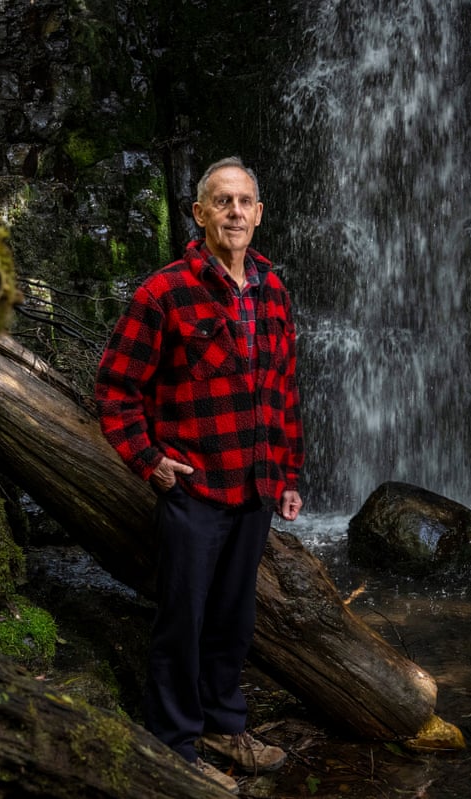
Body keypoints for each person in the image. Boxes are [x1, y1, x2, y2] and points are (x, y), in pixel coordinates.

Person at [94, 156, 304, 793]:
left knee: (234, 619)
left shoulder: (273, 289)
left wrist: (289, 474)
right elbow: (114, 389)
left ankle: (224, 725)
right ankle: (175, 748)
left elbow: (284, 392)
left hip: (256, 487)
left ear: (259, 214)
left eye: (245, 202)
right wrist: (149, 461)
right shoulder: (163, 292)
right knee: (181, 620)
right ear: (200, 214)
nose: (235, 212)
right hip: (193, 488)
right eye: (223, 202)